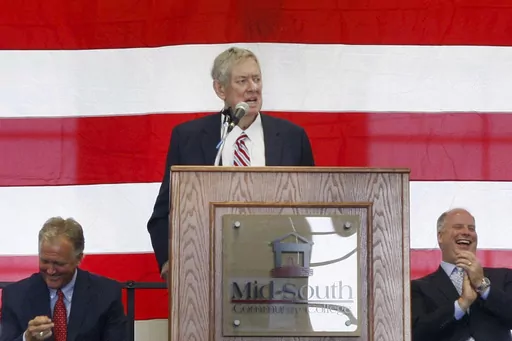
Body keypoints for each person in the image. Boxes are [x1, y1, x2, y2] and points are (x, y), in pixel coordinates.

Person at [147, 46, 315, 280]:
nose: (253, 88)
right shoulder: (189, 138)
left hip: (278, 269)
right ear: (220, 88)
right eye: (242, 81)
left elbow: (312, 207)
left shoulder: (292, 138)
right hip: (207, 270)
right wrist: (169, 262)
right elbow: (166, 211)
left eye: (256, 79)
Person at [0, 217, 127, 341]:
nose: (50, 270)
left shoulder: (107, 294)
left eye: (59, 264)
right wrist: (26, 338)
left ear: (79, 259)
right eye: (45, 261)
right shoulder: (15, 296)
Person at [411, 208, 512, 341]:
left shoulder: (503, 277)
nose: (466, 232)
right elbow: (417, 333)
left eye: (471, 228)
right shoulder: (418, 288)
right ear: (440, 237)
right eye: (458, 227)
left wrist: (483, 286)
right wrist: (461, 304)